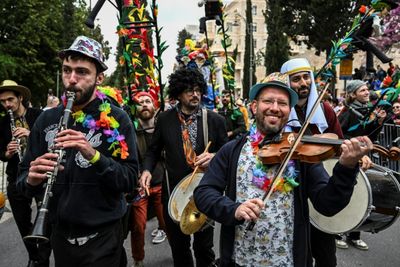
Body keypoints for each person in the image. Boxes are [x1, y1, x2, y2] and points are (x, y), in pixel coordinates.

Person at [193, 72, 373, 267]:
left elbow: (327, 205)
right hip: (241, 260)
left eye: (283, 103)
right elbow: (203, 193)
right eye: (268, 101)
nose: (275, 108)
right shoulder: (231, 150)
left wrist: (346, 167)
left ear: (289, 110)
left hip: (288, 261)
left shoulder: (301, 152)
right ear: (254, 107)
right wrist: (234, 209)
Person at [17, 35, 138, 267]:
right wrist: (31, 180)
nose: (72, 79)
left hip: (103, 239)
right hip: (60, 238)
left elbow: (130, 180)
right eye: (66, 70)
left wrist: (93, 155)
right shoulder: (46, 119)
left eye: (82, 72)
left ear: (99, 77)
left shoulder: (117, 118)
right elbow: (22, 182)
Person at [139, 68, 228, 267]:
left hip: (205, 194)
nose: (195, 94)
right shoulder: (164, 119)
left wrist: (214, 156)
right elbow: (153, 150)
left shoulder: (215, 120)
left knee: (204, 249)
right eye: (189, 90)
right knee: (179, 248)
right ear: (178, 93)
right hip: (174, 196)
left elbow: (228, 153)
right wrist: (146, 171)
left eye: (197, 89)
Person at [280, 58, 344, 267]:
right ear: (287, 83)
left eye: (307, 77)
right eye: (296, 79)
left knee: (326, 256)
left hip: (319, 188)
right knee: (297, 255)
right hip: (289, 191)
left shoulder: (325, 110)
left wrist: (357, 155)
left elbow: (339, 145)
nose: (303, 83)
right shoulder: (278, 110)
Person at [0, 80, 49, 267]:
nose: (7, 105)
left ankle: (43, 258)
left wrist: (31, 134)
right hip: (16, 176)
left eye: (10, 99)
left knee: (45, 220)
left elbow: (50, 141)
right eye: (3, 101)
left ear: (20, 97)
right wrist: (7, 152)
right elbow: (1, 153)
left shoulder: (39, 116)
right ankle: (34, 255)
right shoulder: (3, 123)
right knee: (22, 221)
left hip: (40, 174)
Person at [337, 79, 388, 250]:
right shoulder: (347, 112)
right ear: (353, 95)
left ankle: (354, 234)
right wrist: (354, 151)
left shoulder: (366, 111)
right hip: (348, 159)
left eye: (367, 90)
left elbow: (369, 137)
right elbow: (340, 136)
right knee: (346, 196)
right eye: (363, 90)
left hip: (361, 157)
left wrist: (378, 123)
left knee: (361, 197)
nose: (367, 92)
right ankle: (338, 232)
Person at [129, 91, 166, 267]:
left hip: (161, 184)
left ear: (155, 106)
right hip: (140, 188)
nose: (144, 104)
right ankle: (138, 259)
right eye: (140, 102)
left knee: (167, 223)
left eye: (148, 101)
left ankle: (179, 252)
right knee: (138, 226)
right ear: (135, 108)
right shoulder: (131, 131)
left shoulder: (164, 129)